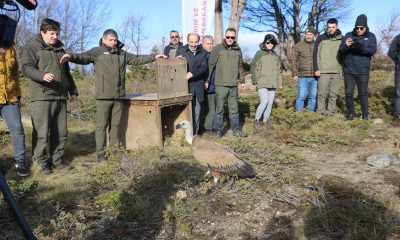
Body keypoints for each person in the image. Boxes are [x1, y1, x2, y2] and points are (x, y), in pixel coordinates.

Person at [60, 29, 166, 161]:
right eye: (110, 40)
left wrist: (153, 56)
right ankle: (101, 154)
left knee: (115, 126)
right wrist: (70, 56)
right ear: (104, 40)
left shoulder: (121, 53)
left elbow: (137, 59)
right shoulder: (97, 52)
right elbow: (82, 57)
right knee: (101, 126)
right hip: (103, 97)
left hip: (119, 96)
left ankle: (115, 151)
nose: (114, 42)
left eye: (115, 40)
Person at [20, 18, 78, 174]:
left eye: (57, 33)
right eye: (52, 33)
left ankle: (57, 160)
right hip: (42, 96)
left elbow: (67, 73)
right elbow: (27, 68)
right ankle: (41, 162)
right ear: (42, 32)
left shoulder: (60, 49)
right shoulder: (31, 48)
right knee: (42, 132)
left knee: (61, 132)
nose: (55, 36)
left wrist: (73, 90)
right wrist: (41, 75)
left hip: (60, 96)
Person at [206, 28, 247, 138]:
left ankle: (236, 129)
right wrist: (207, 80)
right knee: (219, 108)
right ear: (225, 36)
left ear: (235, 38)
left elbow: (240, 67)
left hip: (233, 84)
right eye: (228, 37)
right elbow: (211, 66)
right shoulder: (218, 48)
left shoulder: (237, 50)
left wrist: (242, 81)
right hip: (221, 84)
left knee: (234, 108)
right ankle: (217, 130)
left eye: (232, 37)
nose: (230, 39)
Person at [338, 14, 377, 120]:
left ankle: (365, 115)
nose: (359, 30)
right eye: (357, 28)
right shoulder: (348, 35)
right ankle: (351, 113)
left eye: (361, 28)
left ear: (365, 27)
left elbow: (372, 51)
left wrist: (359, 46)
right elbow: (341, 51)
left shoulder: (371, 36)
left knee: (363, 94)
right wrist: (346, 45)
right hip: (349, 70)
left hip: (363, 71)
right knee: (349, 93)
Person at [0, 41, 28, 176]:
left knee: (17, 130)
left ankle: (20, 161)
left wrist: (18, 93)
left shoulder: (10, 48)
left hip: (10, 97)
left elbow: (15, 73)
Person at [176, 33, 208, 135]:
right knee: (185, 111)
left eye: (196, 42)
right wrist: (177, 60)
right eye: (191, 42)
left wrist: (193, 74)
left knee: (197, 111)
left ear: (198, 41)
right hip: (185, 86)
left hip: (198, 85)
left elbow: (204, 69)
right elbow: (174, 66)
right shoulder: (181, 50)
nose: (194, 44)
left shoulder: (203, 52)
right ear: (188, 41)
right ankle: (183, 134)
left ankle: (195, 134)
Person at [251, 34, 283, 129]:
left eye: (272, 42)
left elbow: (278, 70)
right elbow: (253, 66)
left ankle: (265, 121)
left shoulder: (275, 55)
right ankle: (257, 120)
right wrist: (254, 80)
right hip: (262, 82)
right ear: (265, 42)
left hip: (272, 82)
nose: (270, 44)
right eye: (268, 42)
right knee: (264, 101)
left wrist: (280, 83)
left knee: (270, 103)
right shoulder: (259, 53)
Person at [313, 18, 343, 115]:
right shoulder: (321, 38)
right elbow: (315, 53)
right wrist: (316, 68)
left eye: (333, 27)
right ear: (327, 27)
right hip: (323, 71)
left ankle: (331, 111)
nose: (331, 29)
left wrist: (343, 69)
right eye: (329, 27)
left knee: (333, 94)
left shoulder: (342, 38)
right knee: (322, 93)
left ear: (337, 27)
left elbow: (344, 55)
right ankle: (320, 111)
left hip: (336, 70)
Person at [291, 26, 317, 112]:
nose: (308, 36)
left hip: (315, 76)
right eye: (307, 34)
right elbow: (293, 60)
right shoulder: (298, 46)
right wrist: (294, 73)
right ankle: (299, 114)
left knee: (313, 96)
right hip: (302, 76)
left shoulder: (318, 45)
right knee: (301, 96)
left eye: (310, 34)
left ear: (314, 35)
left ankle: (310, 114)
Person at [201, 35, 216, 132]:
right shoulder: (200, 55)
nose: (210, 46)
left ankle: (208, 126)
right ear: (203, 44)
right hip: (202, 85)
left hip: (213, 86)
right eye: (208, 44)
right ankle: (205, 126)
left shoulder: (214, 54)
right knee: (205, 108)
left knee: (212, 107)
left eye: (211, 44)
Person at [387, 33, 400, 120]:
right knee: (399, 92)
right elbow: (390, 52)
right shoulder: (398, 37)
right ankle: (397, 114)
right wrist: (398, 60)